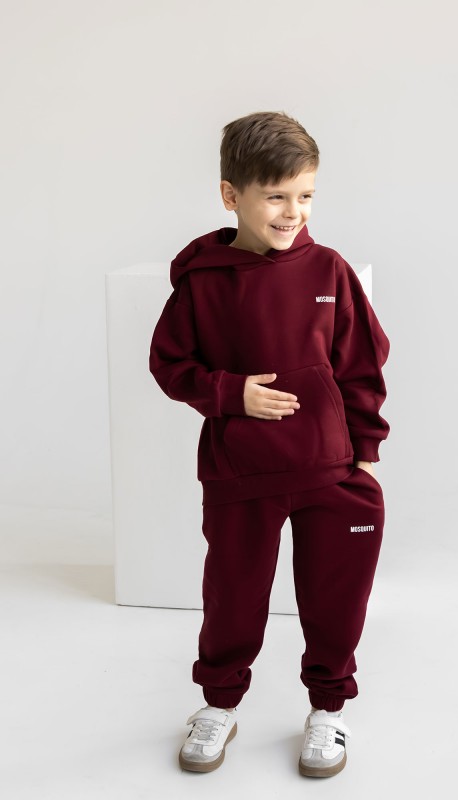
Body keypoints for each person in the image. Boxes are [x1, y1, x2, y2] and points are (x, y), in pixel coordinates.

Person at [148, 110, 391, 778]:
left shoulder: (330, 271)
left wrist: (365, 453)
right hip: (241, 475)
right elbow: (169, 364)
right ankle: (219, 704)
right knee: (232, 596)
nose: (293, 212)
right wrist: (230, 394)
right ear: (232, 195)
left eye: (305, 195)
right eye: (276, 196)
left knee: (336, 597)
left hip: (332, 473)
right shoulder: (202, 281)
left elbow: (361, 366)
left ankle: (328, 710)